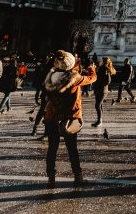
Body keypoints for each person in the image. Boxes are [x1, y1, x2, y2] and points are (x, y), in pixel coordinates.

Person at [42, 49, 97, 186]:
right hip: (68, 119)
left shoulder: (52, 76)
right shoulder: (75, 78)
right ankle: (78, 177)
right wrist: (92, 68)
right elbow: (91, 78)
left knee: (52, 148)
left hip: (51, 117)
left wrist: (74, 64)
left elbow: (65, 69)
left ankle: (51, 178)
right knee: (72, 149)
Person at [32, 56, 54, 136]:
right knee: (47, 112)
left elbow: (40, 82)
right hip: (50, 94)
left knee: (43, 111)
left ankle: (36, 128)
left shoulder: (45, 69)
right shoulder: (52, 71)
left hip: (46, 93)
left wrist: (38, 92)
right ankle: (45, 130)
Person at [91, 57, 114, 127]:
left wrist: (100, 84)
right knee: (99, 105)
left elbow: (108, 80)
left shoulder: (105, 68)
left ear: (103, 61)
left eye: (101, 60)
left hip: (102, 90)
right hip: (99, 89)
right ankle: (99, 119)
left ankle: (100, 120)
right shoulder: (102, 68)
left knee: (97, 105)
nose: (100, 61)